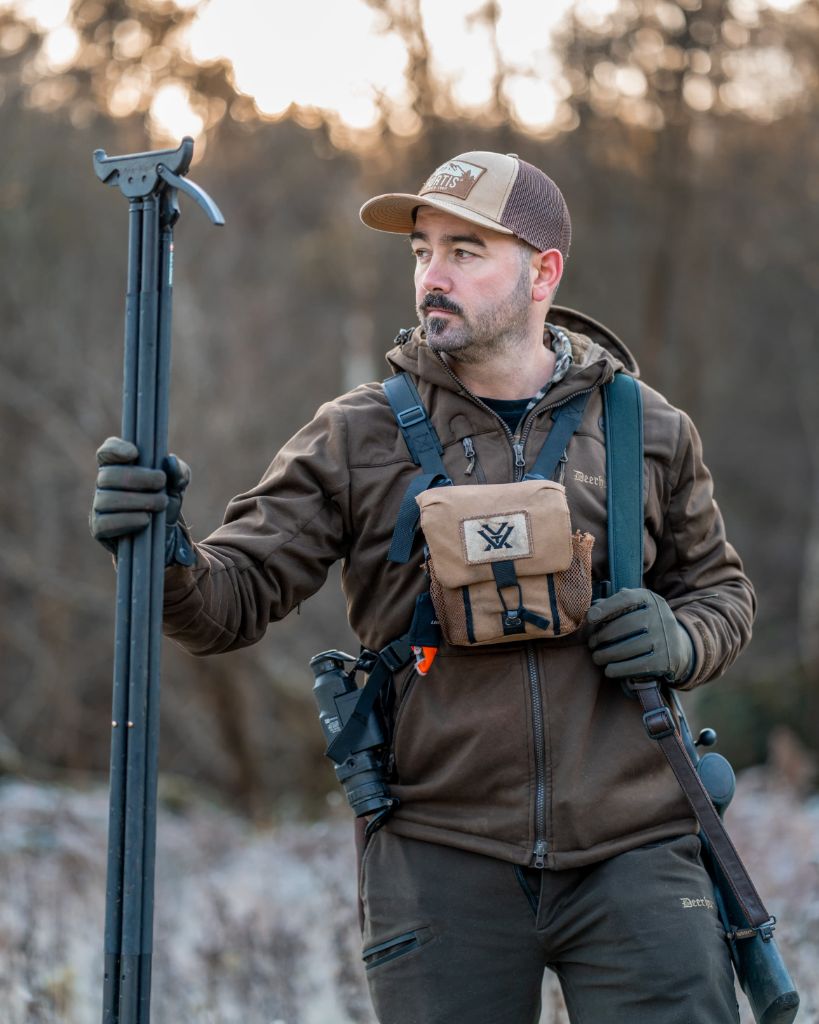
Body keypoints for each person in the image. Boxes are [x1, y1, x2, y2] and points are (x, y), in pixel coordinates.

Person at [91, 151, 754, 1024]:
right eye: (420, 251)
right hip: (438, 853)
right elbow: (228, 603)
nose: (431, 277)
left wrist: (680, 637)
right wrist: (164, 550)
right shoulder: (356, 434)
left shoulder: (645, 427)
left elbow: (722, 596)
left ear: (543, 271)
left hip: (638, 846)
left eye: (464, 251)